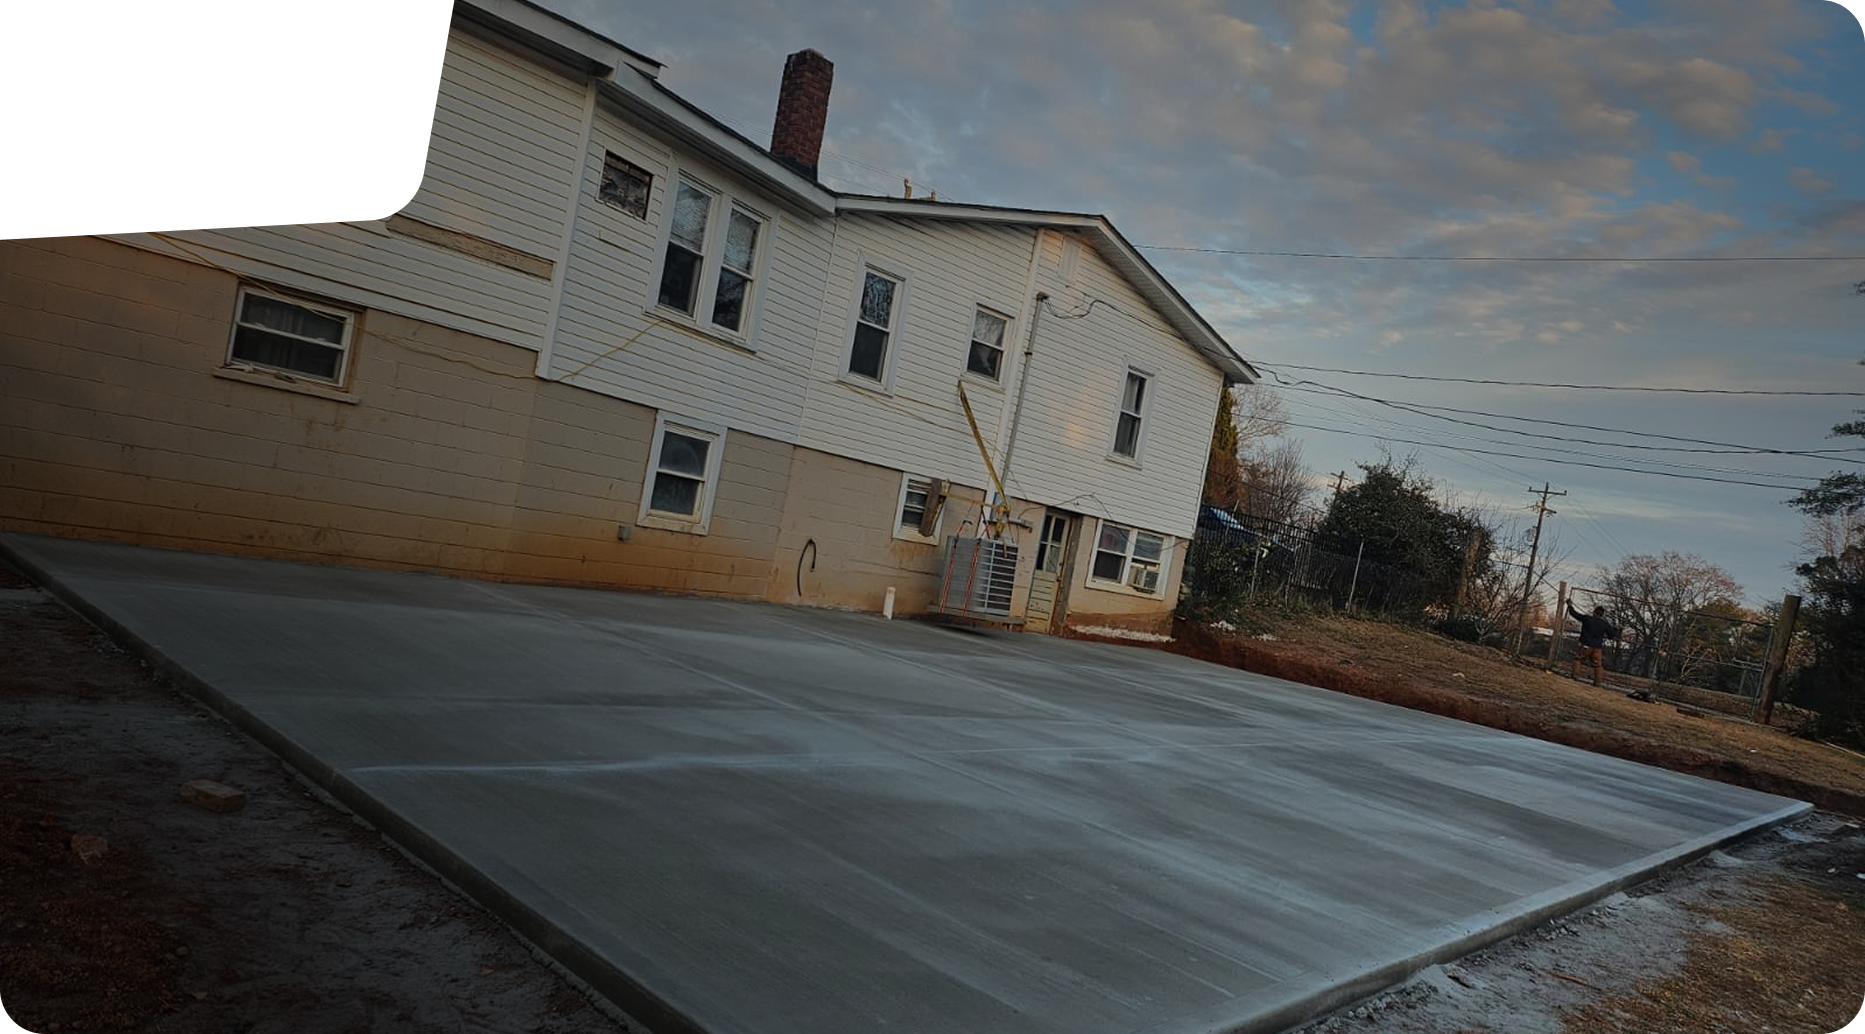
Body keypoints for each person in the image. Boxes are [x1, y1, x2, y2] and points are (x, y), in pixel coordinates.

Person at [1566, 600, 1619, 687]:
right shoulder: (1604, 624)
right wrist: (1617, 629)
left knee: (1578, 659)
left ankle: (1575, 676)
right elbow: (1612, 635)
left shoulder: (1587, 618)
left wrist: (1570, 606)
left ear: (1594, 612)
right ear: (1602, 615)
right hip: (1597, 648)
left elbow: (1575, 614)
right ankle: (1597, 682)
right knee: (1598, 665)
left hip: (1586, 645)